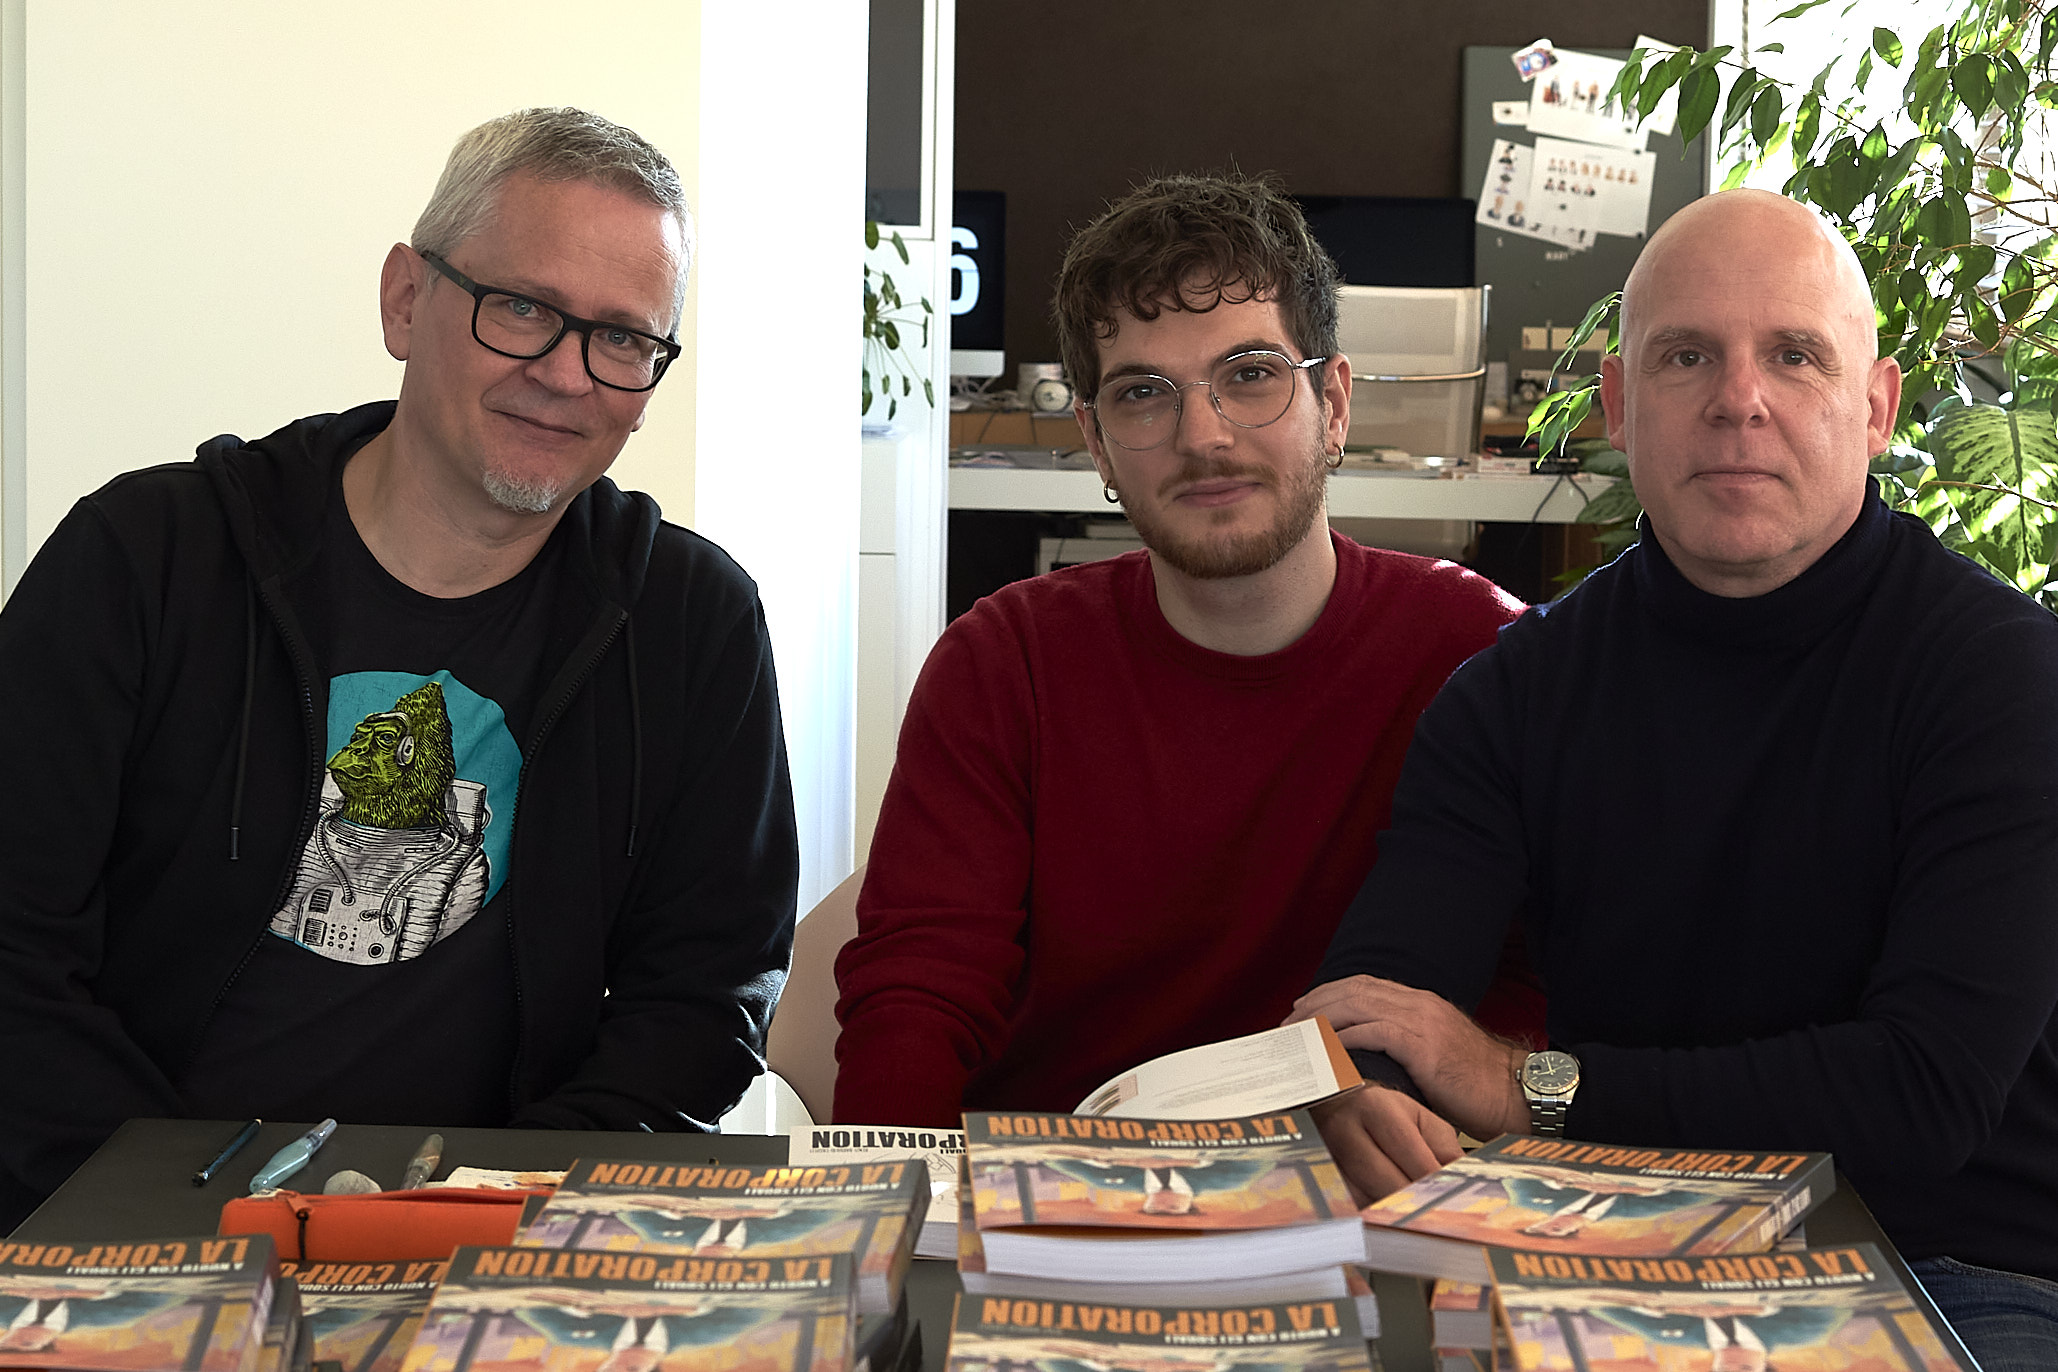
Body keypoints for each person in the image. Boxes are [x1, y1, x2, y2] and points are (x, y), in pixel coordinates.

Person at [1293, 189, 2058, 1363]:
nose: (1738, 400)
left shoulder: (2003, 675)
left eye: (1794, 355)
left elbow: (1921, 1093)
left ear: (1875, 407)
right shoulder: (1515, 691)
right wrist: (1366, 1082)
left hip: (1958, 1265)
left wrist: (1530, 1086)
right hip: (1619, 1237)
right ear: (1617, 402)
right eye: (1686, 355)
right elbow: (1387, 1001)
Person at [0, 108, 798, 1228]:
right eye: (522, 308)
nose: (567, 375)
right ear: (405, 301)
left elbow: (704, 997)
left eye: (623, 338)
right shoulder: (146, 560)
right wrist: (177, 1217)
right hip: (127, 1222)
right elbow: (15, 955)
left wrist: (511, 1213)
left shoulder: (693, 624)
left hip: (501, 1238)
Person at [831, 173, 1525, 1126]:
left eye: (1251, 375)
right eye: (1143, 394)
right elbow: (915, 995)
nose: (1204, 436)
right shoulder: (1003, 663)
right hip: (1057, 1183)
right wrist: (895, 1204)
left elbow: (1542, 987)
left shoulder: (1481, 654)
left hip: (1378, 1190)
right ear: (1096, 442)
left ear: (1334, 402)